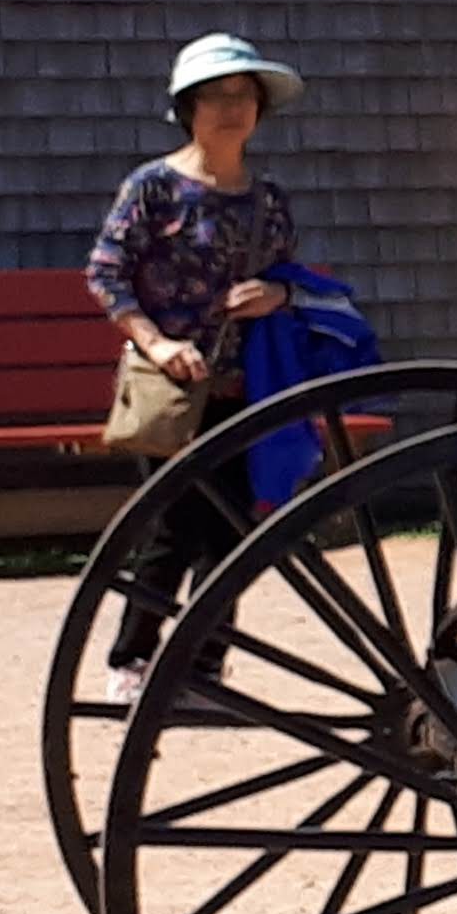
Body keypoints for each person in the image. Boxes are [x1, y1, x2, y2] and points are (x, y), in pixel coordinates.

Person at [84, 33, 305, 663]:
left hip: (245, 388)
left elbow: (292, 279)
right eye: (215, 97)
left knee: (231, 537)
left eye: (243, 96)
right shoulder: (153, 187)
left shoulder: (268, 200)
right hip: (173, 389)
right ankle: (133, 661)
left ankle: (202, 668)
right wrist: (157, 344)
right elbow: (106, 274)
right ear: (188, 109)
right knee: (171, 530)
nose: (232, 109)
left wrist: (277, 295)